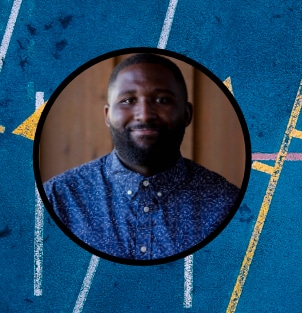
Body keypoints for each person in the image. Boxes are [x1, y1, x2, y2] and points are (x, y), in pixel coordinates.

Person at [42, 53, 239, 261]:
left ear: (187, 114)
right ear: (108, 116)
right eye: (128, 100)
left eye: (162, 100)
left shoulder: (227, 206)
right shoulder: (56, 199)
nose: (144, 114)